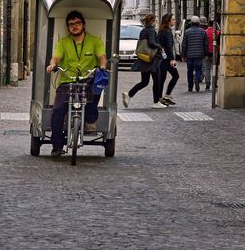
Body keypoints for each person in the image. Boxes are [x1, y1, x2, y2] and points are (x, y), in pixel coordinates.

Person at [45, 10, 107, 157]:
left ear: (83, 25)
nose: (75, 26)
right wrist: (52, 65)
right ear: (68, 27)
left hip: (88, 80)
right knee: (58, 110)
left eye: (77, 23)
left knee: (96, 90)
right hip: (67, 81)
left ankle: (90, 119)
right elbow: (56, 57)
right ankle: (57, 145)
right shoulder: (64, 42)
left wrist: (103, 65)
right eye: (71, 24)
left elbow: (102, 56)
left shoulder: (94, 41)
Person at [122, 13, 166, 109]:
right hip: (152, 59)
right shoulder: (151, 31)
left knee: (144, 81)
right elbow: (151, 43)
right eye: (156, 21)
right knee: (157, 81)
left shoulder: (143, 31)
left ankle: (129, 94)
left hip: (144, 58)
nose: (157, 22)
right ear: (152, 21)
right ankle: (156, 102)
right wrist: (160, 47)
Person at [181, 15, 209, 92]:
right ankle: (196, 79)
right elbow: (205, 44)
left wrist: (183, 55)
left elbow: (184, 44)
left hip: (189, 55)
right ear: (198, 23)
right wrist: (206, 54)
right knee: (198, 69)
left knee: (189, 70)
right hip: (199, 55)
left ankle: (190, 87)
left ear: (191, 23)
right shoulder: (203, 32)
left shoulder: (187, 32)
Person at [158, 13, 179, 106]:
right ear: (168, 21)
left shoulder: (162, 30)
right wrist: (172, 59)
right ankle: (166, 95)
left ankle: (160, 98)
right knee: (175, 76)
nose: (174, 21)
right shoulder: (167, 31)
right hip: (167, 59)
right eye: (173, 19)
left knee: (162, 78)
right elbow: (168, 47)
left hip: (162, 58)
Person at [203, 18, 216, 90]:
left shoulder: (205, 32)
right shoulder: (217, 32)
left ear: (208, 24)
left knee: (207, 69)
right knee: (215, 68)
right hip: (215, 53)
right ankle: (215, 84)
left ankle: (207, 84)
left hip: (207, 53)